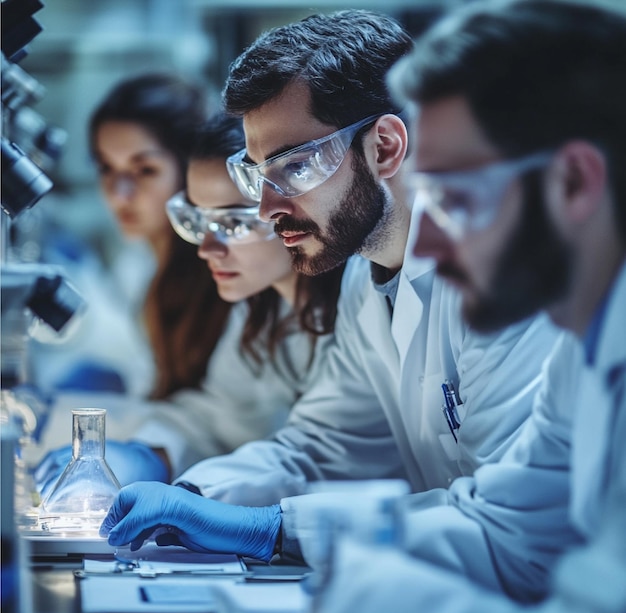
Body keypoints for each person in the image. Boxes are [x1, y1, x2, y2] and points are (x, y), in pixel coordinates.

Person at [99, 10, 561, 566]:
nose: (267, 209)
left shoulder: (510, 273)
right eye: (258, 175)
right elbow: (320, 449)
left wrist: (271, 529)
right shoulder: (366, 281)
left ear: (386, 148)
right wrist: (190, 497)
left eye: (293, 168)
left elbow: (510, 523)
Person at [312, 1, 626, 613]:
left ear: (573, 182)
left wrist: (373, 597)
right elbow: (506, 532)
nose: (425, 245)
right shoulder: (581, 350)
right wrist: (310, 539)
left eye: (455, 201)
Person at [36, 102, 344, 492]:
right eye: (199, 222)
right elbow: (218, 417)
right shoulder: (257, 310)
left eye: (232, 222)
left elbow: (322, 455)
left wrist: (192, 493)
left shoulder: (346, 308)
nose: (206, 249)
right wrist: (146, 456)